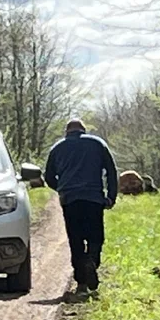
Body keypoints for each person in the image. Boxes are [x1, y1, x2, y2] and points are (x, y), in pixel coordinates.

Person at [44, 117, 118, 295]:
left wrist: (62, 188)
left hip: (70, 200)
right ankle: (92, 260)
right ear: (83, 130)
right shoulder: (98, 144)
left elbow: (48, 177)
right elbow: (111, 170)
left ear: (66, 132)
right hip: (93, 198)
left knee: (75, 240)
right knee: (95, 236)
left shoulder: (57, 148)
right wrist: (111, 197)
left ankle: (81, 284)